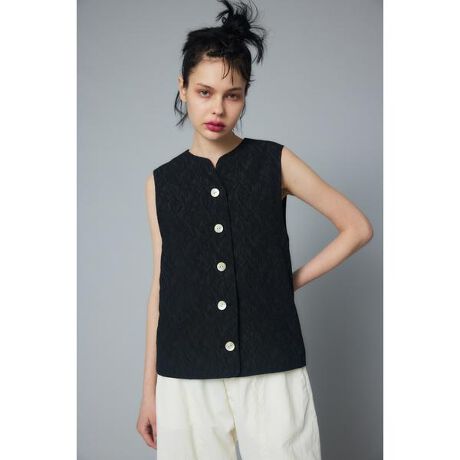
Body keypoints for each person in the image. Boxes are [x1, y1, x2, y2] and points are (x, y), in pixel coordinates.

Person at [136, 0, 373, 458]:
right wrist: (150, 391)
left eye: (233, 95)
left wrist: (287, 282)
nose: (218, 108)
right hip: (185, 373)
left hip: (272, 364)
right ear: (182, 88)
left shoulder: (273, 161)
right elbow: (160, 287)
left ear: (246, 95)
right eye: (204, 92)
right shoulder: (161, 182)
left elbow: (357, 227)